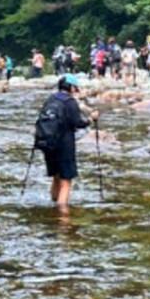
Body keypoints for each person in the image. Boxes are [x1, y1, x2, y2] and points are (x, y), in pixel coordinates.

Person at [38, 74, 98, 208]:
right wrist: (91, 120)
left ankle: (53, 207)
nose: (75, 91)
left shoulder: (51, 99)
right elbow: (78, 123)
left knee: (56, 177)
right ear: (71, 87)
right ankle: (62, 216)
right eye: (75, 88)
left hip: (48, 144)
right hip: (64, 145)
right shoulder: (70, 102)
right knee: (66, 181)